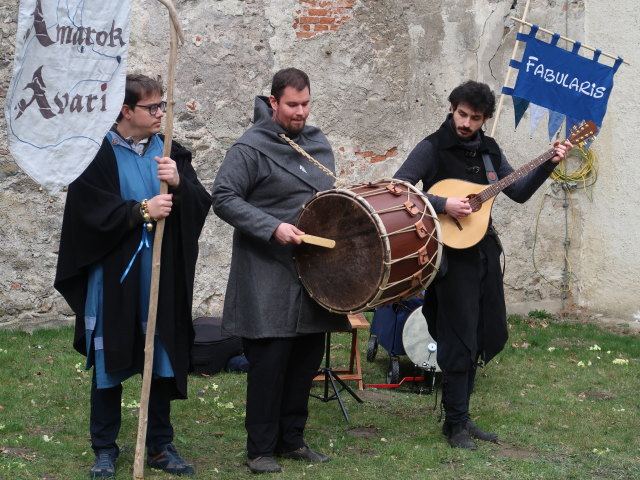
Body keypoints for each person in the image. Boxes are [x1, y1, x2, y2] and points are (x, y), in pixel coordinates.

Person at [393, 80, 571, 450]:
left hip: (483, 253)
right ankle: (455, 424)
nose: (466, 123)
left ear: (486, 119)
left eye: (475, 118)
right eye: (461, 114)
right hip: (449, 258)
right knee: (457, 337)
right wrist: (443, 205)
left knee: (480, 333)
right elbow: (399, 190)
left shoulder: (490, 152)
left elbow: (518, 193)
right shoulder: (433, 147)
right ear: (452, 108)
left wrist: (549, 165)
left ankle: (462, 418)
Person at [54, 74, 211, 478]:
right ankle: (105, 447)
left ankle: (159, 445)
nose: (160, 114)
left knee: (159, 358)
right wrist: (141, 210)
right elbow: (87, 214)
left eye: (162, 106)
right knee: (110, 362)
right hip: (115, 279)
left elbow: (199, 205)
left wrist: (179, 185)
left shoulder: (171, 151)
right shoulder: (96, 155)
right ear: (126, 110)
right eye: (152, 107)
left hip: (159, 275)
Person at [211, 67, 349, 474]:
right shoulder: (249, 148)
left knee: (305, 359)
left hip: (314, 271)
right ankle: (260, 449)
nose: (300, 112)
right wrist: (272, 227)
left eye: (306, 104)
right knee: (270, 363)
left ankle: (293, 440)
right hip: (267, 270)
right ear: (273, 102)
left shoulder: (317, 144)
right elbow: (223, 197)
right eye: (292, 105)